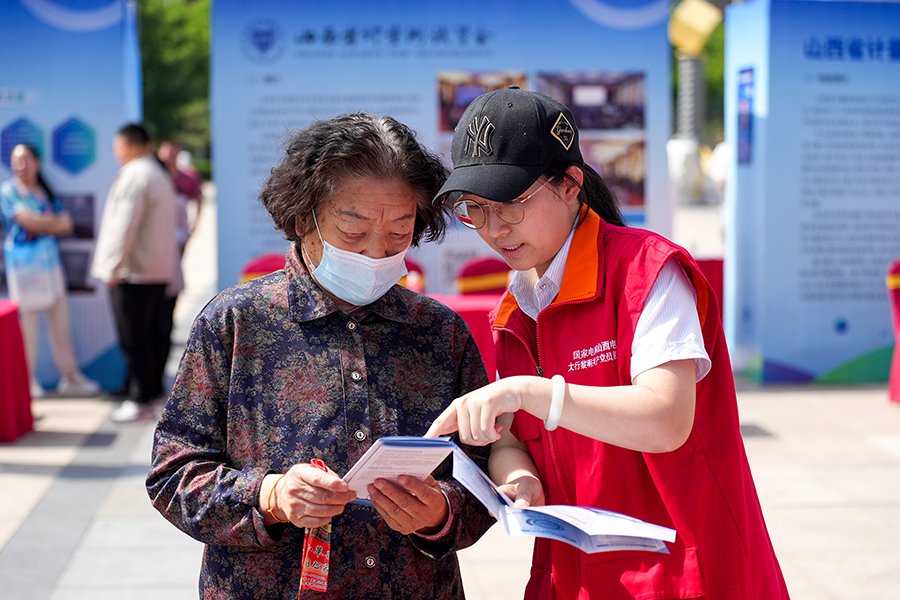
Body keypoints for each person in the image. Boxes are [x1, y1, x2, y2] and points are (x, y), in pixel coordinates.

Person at [426, 87, 790, 599]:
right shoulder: (515, 309)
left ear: (571, 184)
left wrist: (530, 392)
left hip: (681, 573)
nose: (495, 228)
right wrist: (519, 478)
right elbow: (512, 437)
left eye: (511, 203)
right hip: (573, 577)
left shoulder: (646, 272)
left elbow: (666, 419)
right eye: (476, 209)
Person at [146, 112, 495, 599]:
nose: (377, 251)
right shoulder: (236, 323)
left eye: (399, 231)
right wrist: (269, 495)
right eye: (353, 231)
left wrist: (441, 513)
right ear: (301, 219)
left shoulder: (440, 333)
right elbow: (174, 474)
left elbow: (486, 473)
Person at [90, 124, 180, 423]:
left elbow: (123, 225)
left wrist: (113, 266)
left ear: (127, 145)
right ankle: (149, 394)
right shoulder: (157, 174)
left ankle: (141, 399)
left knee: (133, 337)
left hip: (134, 272)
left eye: (117, 145)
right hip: (155, 270)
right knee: (150, 335)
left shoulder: (135, 175)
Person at [0, 144, 100, 398]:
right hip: (24, 267)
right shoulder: (8, 190)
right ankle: (27, 380)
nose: (20, 166)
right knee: (27, 326)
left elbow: (66, 224)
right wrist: (48, 223)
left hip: (50, 264)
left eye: (25, 160)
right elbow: (25, 220)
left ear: (37, 162)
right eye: (15, 161)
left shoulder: (45, 191)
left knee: (60, 322)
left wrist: (40, 221)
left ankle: (70, 375)